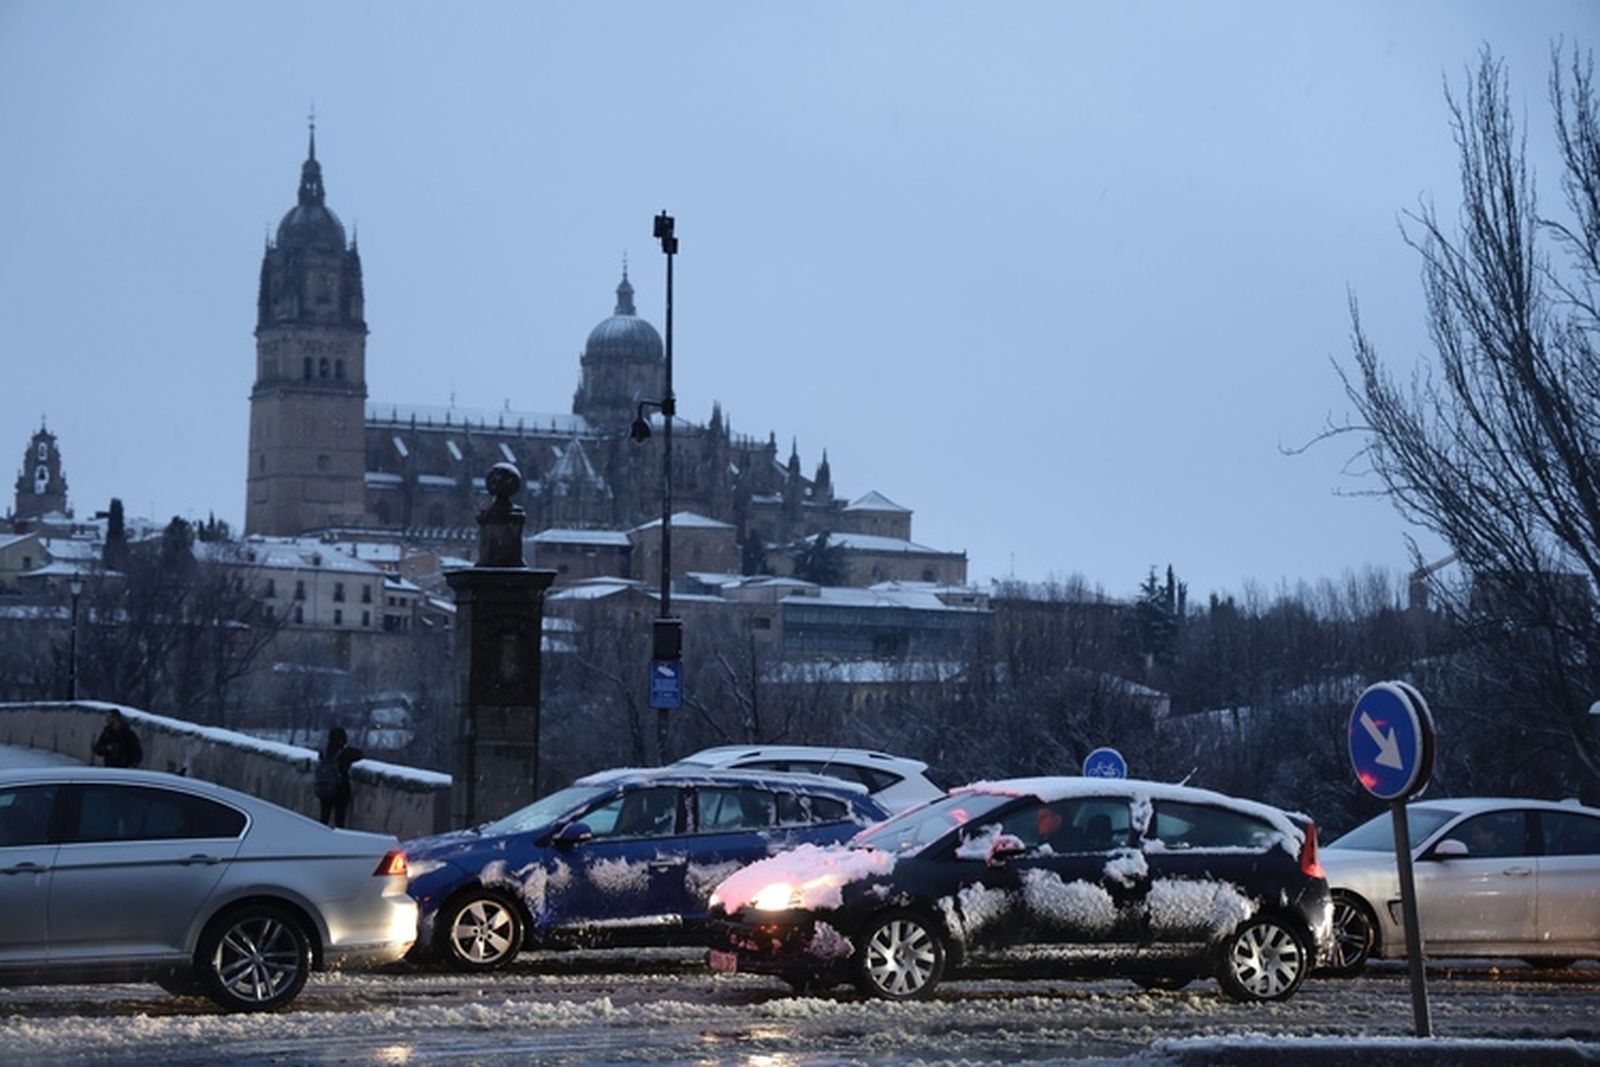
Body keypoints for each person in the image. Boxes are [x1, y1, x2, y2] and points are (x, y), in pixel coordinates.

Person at [314, 727, 364, 828]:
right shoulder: (345, 753)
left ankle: (320, 838)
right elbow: (360, 754)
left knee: (324, 817)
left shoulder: (323, 752)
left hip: (324, 787)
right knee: (339, 819)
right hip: (340, 789)